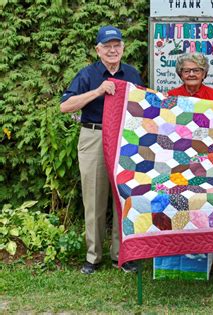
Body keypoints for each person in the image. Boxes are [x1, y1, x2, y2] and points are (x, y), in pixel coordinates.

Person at [60, 25, 144, 275]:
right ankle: (93, 257)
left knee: (124, 198)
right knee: (94, 199)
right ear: (98, 50)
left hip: (124, 138)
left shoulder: (132, 73)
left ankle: (123, 255)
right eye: (106, 46)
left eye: (116, 45)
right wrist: (98, 90)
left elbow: (141, 106)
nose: (112, 50)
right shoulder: (87, 74)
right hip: (94, 135)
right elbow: (65, 106)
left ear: (123, 48)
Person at [168, 52, 213, 273]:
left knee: (210, 202)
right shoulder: (172, 95)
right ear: (180, 74)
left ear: (204, 73)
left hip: (208, 157)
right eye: (187, 70)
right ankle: (180, 250)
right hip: (180, 156)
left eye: (196, 70)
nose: (191, 74)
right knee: (182, 200)